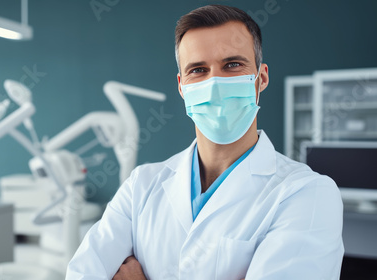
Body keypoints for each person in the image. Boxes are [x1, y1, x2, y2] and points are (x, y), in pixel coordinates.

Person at [66, 4, 344, 280]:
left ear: (261, 78)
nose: (214, 84)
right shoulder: (141, 185)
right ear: (182, 87)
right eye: (198, 70)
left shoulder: (307, 194)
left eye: (232, 65)